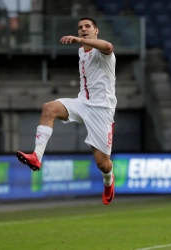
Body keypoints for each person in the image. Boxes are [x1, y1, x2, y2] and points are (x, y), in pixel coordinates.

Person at [16, 17, 116, 205]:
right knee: (49, 108)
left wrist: (81, 41)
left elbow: (109, 46)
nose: (83, 29)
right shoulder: (82, 52)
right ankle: (37, 156)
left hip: (102, 110)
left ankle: (109, 180)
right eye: (80, 28)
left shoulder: (102, 51)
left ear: (96, 31)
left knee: (102, 163)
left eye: (87, 27)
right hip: (82, 103)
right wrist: (81, 44)